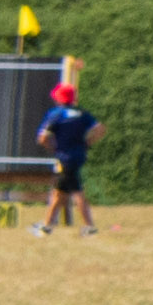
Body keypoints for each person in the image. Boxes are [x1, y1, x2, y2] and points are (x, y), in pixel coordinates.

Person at [34, 74, 99, 234]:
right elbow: (100, 129)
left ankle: (89, 227)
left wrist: (52, 148)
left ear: (59, 98)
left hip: (65, 157)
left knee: (76, 192)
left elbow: (42, 138)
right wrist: (87, 143)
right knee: (59, 192)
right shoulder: (82, 113)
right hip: (78, 155)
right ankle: (47, 225)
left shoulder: (56, 114)